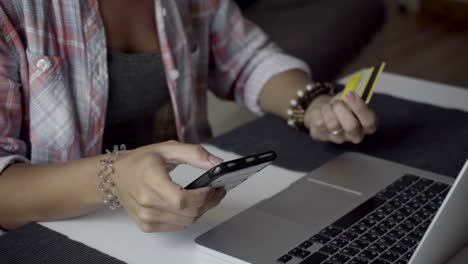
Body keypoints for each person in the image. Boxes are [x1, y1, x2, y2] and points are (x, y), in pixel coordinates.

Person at [0, 0, 378, 233]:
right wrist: (115, 178)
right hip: (58, 233)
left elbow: (244, 57)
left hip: (192, 220)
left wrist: (311, 103)